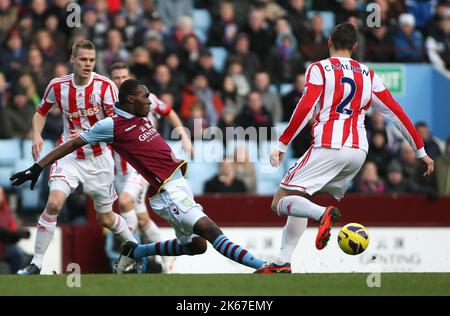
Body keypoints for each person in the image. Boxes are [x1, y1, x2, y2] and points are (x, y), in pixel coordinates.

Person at [11, 79, 267, 273]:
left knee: (197, 246)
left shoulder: (139, 112)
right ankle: (264, 266)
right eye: (145, 97)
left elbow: (161, 110)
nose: (149, 102)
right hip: (168, 193)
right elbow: (72, 143)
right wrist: (38, 166)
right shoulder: (110, 125)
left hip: (180, 183)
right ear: (131, 99)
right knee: (210, 230)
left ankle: (137, 249)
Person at [255, 23, 434, 273]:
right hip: (358, 152)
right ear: (355, 47)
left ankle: (322, 215)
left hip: (329, 145)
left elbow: (305, 107)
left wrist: (282, 144)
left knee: (280, 200)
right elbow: (396, 113)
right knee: (301, 195)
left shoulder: (319, 69)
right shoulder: (369, 74)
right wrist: (420, 151)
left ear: (329, 41)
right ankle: (283, 260)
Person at [16, 40, 137, 275]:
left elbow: (116, 124)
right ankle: (36, 262)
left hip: (100, 159)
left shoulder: (106, 86)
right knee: (53, 203)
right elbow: (40, 112)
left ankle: (134, 246)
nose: (88, 64)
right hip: (68, 156)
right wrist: (36, 135)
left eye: (91, 60)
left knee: (106, 219)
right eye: (83, 59)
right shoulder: (57, 86)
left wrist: (93, 136)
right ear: (72, 59)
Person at [109, 63, 192, 247]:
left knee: (124, 203)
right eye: (116, 77)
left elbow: (168, 111)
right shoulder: (107, 103)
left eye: (123, 76)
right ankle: (165, 260)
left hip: (142, 166)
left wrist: (184, 136)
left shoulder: (145, 98)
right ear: (111, 79)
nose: (120, 81)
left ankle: (130, 252)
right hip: (119, 169)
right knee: (142, 219)